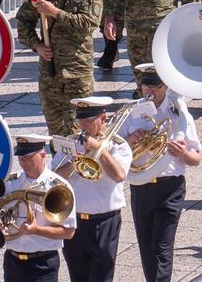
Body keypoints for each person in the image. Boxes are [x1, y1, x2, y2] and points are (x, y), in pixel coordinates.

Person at [122, 63, 201, 282]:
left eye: (154, 88)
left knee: (162, 248)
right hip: (140, 187)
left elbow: (196, 158)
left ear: (165, 85)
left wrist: (183, 153)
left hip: (170, 188)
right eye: (145, 87)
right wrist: (129, 141)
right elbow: (114, 149)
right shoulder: (132, 112)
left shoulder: (179, 113)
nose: (148, 92)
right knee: (147, 249)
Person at [15, 0, 104, 137]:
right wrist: (36, 45)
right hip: (50, 73)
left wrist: (55, 12)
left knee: (78, 130)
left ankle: (77, 165)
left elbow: (89, 24)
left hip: (77, 71)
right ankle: (58, 165)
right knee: (55, 129)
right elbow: (23, 20)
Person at [55, 97, 131, 282]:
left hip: (105, 221)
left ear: (103, 118)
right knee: (78, 275)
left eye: (89, 121)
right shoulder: (71, 143)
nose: (83, 125)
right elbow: (54, 178)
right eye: (81, 120)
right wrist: (73, 162)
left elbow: (119, 175)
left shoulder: (118, 145)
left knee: (102, 276)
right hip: (76, 219)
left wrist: (101, 151)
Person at [0, 136, 77, 282]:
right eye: (21, 158)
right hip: (13, 261)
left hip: (43, 264)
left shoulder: (59, 187)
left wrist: (36, 230)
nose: (23, 162)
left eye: (28, 157)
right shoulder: (11, 184)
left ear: (43, 154)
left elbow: (69, 231)